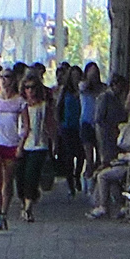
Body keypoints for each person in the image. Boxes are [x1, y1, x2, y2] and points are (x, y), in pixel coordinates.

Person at [0, 68, 29, 230]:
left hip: (11, 144)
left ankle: (4, 212)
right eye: (1, 77)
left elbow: (25, 126)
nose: (4, 80)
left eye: (7, 77)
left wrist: (21, 146)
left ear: (13, 80)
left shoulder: (19, 102)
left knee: (7, 181)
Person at [15, 73, 54, 223]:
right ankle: (24, 202)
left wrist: (53, 142)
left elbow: (50, 124)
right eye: (27, 87)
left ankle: (28, 208)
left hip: (38, 145)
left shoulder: (43, 106)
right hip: (21, 145)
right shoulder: (20, 105)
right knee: (20, 177)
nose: (30, 90)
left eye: (32, 87)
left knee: (31, 176)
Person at [88, 112, 130, 220]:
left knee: (103, 176)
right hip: (122, 163)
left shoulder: (129, 132)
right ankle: (119, 206)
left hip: (126, 165)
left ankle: (103, 206)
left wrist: (121, 157)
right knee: (110, 180)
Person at [54, 64, 83, 197]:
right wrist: (59, 125)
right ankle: (70, 183)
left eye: (78, 76)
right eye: (73, 76)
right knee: (69, 156)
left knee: (81, 155)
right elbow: (59, 108)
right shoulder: (65, 91)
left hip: (80, 126)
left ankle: (77, 175)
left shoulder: (83, 90)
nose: (76, 79)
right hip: (67, 127)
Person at [78, 62, 106, 193]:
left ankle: (97, 184)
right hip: (87, 124)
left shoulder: (103, 89)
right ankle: (88, 181)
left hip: (100, 125)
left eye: (96, 73)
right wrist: (89, 79)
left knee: (101, 157)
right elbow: (83, 86)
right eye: (91, 72)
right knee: (89, 158)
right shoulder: (84, 87)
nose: (94, 76)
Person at [94, 73, 130, 168]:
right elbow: (99, 118)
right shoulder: (105, 97)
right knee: (107, 161)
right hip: (106, 135)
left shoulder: (118, 99)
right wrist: (109, 129)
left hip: (117, 134)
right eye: (119, 86)